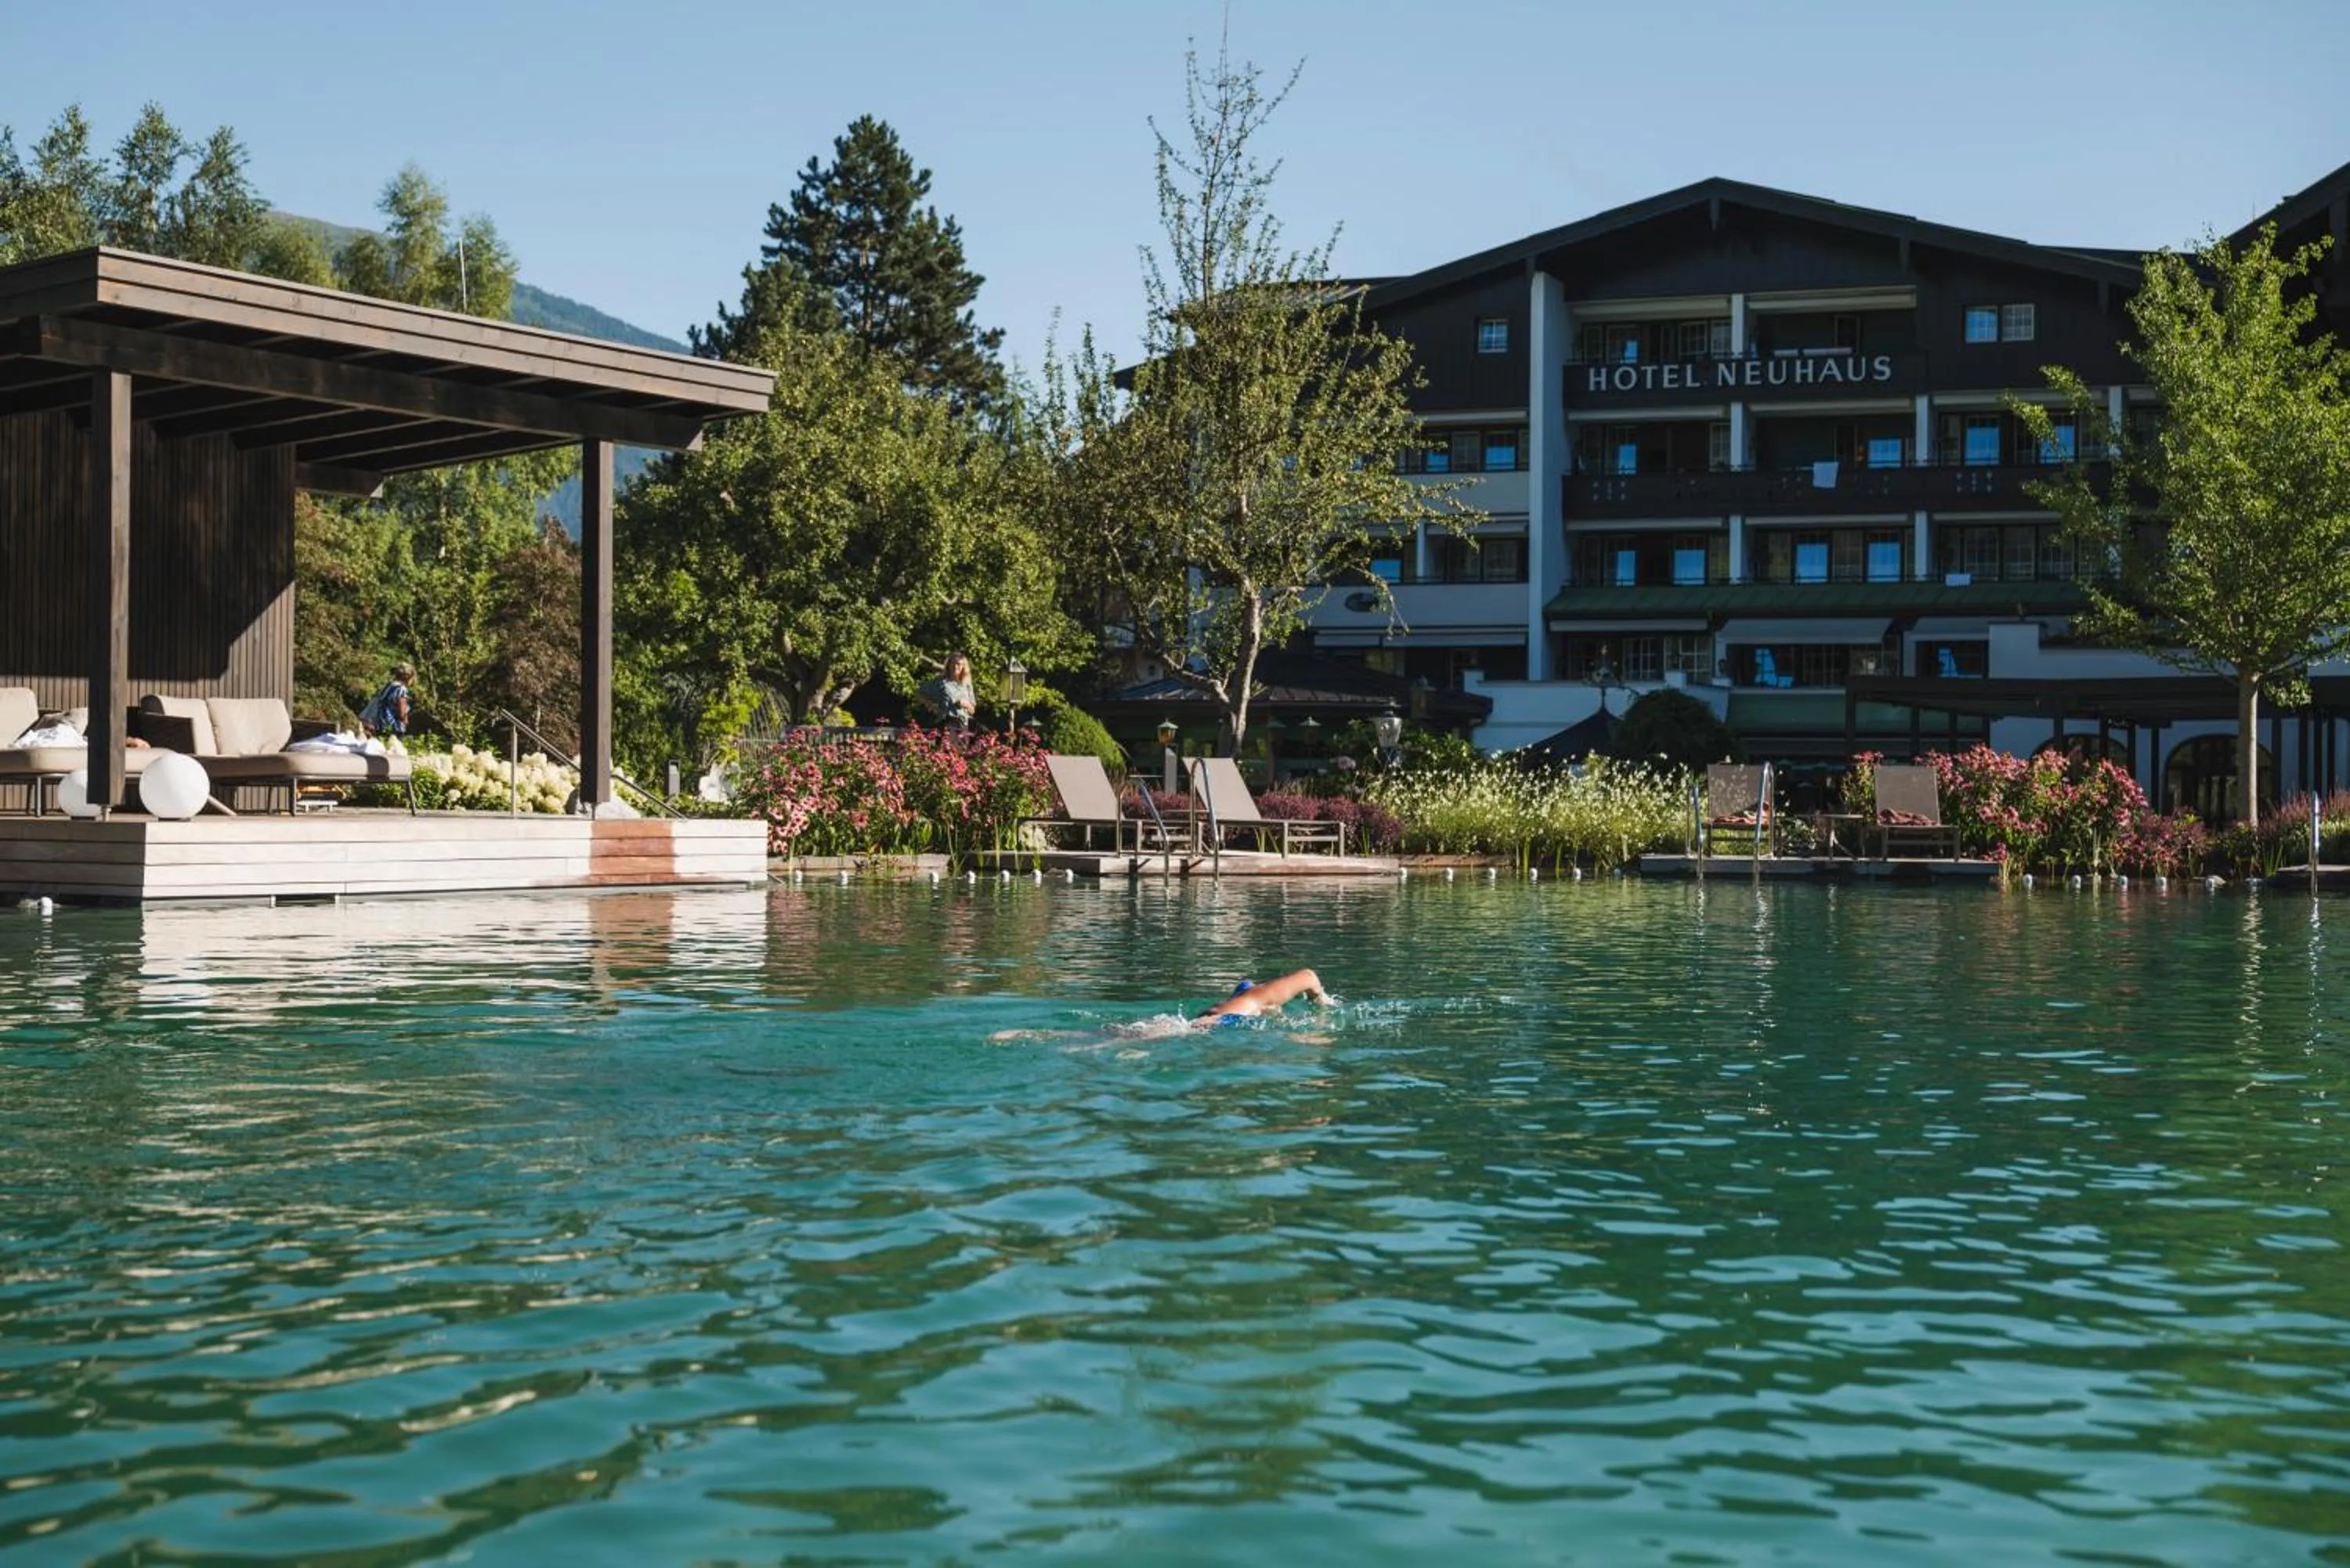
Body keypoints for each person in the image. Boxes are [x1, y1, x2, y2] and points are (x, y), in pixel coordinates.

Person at [1195, 968, 1334, 1028]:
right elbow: (1309, 976)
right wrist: (1321, 1005)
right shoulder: (1264, 995)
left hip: (1215, 1013)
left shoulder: (1247, 996)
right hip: (1225, 1017)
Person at [918, 652, 978, 731]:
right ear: (948, 665)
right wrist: (932, 706)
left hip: (963, 724)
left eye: (959, 664)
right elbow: (919, 693)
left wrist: (965, 704)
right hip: (947, 722)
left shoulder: (967, 685)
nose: (955, 667)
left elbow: (972, 710)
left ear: (963, 667)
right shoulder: (941, 681)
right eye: (953, 664)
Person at [360, 663, 416, 739]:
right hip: (392, 725)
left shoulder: (389, 686)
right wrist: (405, 720)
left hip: (379, 723)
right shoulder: (401, 689)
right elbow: (402, 713)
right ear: (408, 677)